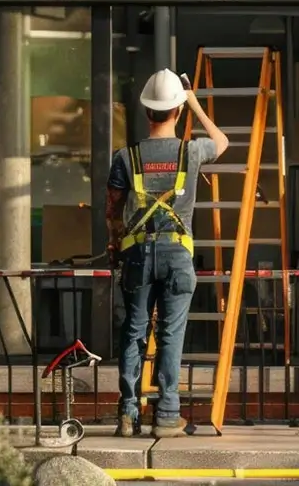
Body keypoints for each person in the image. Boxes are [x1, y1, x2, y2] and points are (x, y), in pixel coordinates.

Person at [105, 68, 229, 438]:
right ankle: (167, 414)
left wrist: (115, 244)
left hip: (137, 256)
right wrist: (195, 102)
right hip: (178, 257)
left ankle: (128, 415)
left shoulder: (125, 157)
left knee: (133, 333)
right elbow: (221, 142)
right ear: (176, 111)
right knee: (171, 335)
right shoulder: (192, 151)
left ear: (147, 112)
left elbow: (112, 211)